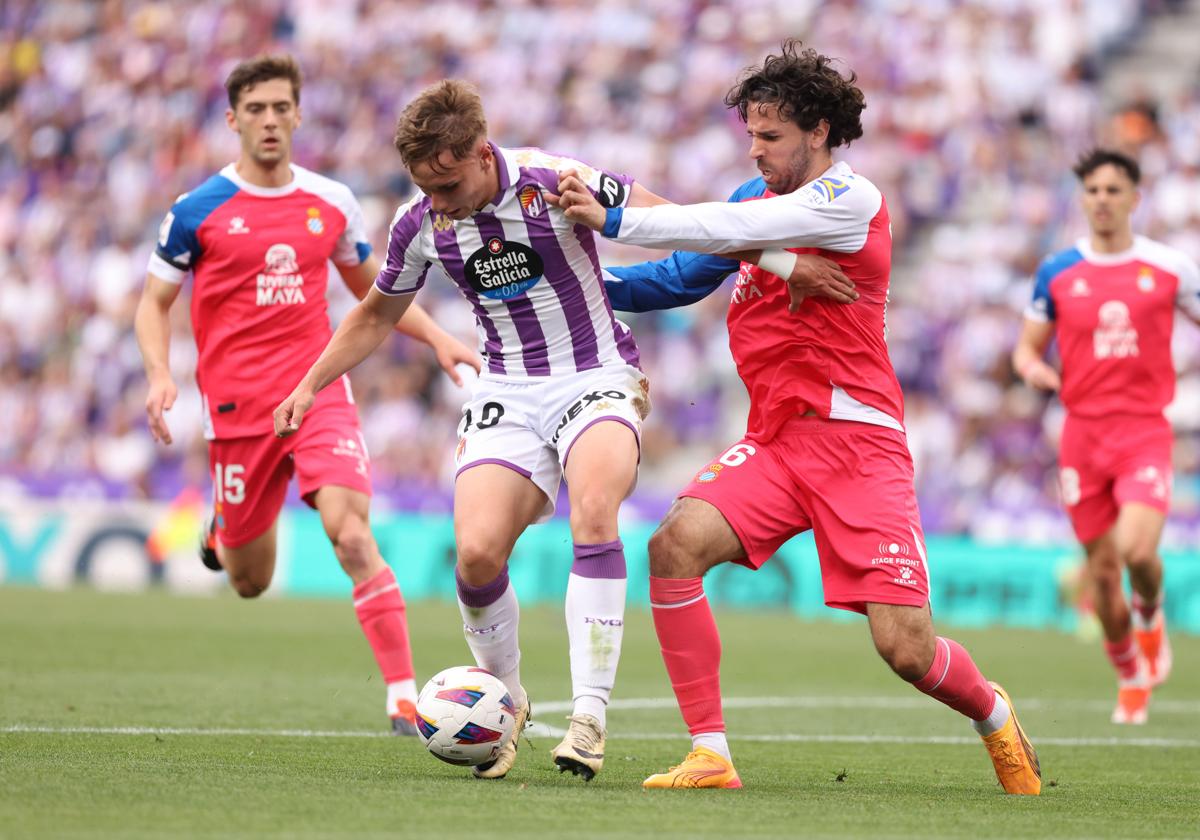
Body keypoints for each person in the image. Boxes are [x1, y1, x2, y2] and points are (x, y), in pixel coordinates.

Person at [552, 40, 1041, 794]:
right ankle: (710, 753)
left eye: (770, 136)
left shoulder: (851, 200)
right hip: (777, 444)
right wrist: (577, 284)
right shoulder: (754, 206)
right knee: (674, 546)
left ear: (817, 131)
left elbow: (707, 229)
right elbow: (681, 275)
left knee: (905, 649)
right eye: (750, 135)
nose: (755, 151)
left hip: (859, 445)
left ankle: (992, 714)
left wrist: (614, 212)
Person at [274, 79, 670, 782]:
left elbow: (667, 218)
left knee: (594, 510)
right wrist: (310, 383)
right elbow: (374, 316)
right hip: (508, 390)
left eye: (449, 183)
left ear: (482, 153)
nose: (441, 201)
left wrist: (772, 259)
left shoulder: (555, 180)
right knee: (477, 557)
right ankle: (508, 702)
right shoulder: (418, 223)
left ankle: (588, 715)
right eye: (426, 187)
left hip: (595, 373)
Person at [135, 55, 479, 735]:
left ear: (296, 114)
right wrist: (158, 372)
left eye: (280, 107)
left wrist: (438, 338)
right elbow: (154, 303)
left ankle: (403, 695)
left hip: (317, 391)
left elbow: (374, 296)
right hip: (236, 412)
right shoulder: (197, 210)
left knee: (350, 533)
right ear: (234, 120)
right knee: (248, 579)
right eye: (255, 109)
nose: (269, 120)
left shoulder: (331, 202)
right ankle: (221, 528)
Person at [1013, 148, 1200, 724]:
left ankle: (1151, 616)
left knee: (1137, 551)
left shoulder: (1169, 268)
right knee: (1100, 573)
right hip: (1082, 436)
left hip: (1143, 429)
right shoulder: (1058, 270)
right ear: (1082, 197)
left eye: (1113, 190)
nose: (1102, 200)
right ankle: (1129, 676)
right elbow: (1026, 346)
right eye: (1093, 190)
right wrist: (1032, 368)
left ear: (1135, 199)